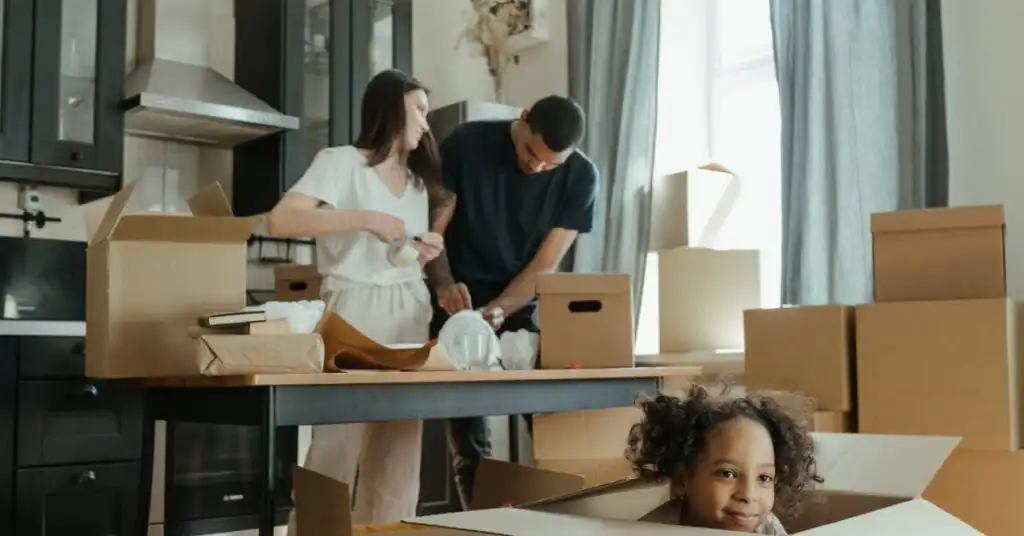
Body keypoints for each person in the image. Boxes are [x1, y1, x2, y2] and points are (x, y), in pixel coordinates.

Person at [267, 69, 445, 528]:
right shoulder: (341, 161)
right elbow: (282, 220)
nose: (427, 122)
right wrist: (365, 218)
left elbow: (397, 260)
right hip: (353, 313)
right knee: (335, 448)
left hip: (408, 312)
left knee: (399, 451)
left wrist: (421, 253)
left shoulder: (419, 184)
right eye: (419, 109)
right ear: (391, 107)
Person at [424, 95, 598, 507]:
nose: (536, 166)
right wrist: (444, 285)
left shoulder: (580, 176)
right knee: (470, 444)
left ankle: (570, 519)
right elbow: (432, 230)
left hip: (517, 304)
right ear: (523, 122)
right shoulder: (467, 143)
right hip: (456, 309)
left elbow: (545, 265)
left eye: (549, 164)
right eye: (531, 153)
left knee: (550, 421)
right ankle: (485, 525)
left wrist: (499, 311)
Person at [625, 385, 823, 534]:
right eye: (728, 474)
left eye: (764, 478)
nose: (748, 495)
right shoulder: (651, 531)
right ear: (682, 480)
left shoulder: (766, 527)